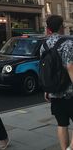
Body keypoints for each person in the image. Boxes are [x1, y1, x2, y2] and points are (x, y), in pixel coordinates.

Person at [40, 15, 73, 150]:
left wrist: (47, 89)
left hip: (54, 92)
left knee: (62, 124)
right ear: (61, 27)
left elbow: (46, 70)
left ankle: (64, 148)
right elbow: (70, 67)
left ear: (48, 29)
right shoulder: (68, 43)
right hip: (69, 92)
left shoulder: (44, 45)